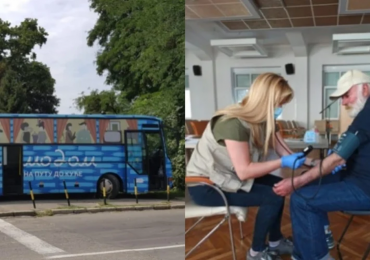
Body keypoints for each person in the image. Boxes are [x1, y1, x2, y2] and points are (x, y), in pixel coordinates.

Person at [186, 73, 308, 260]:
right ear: (266, 100)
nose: (280, 109)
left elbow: (285, 152)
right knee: (273, 196)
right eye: (280, 103)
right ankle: (256, 252)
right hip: (207, 185)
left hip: (228, 177)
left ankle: (275, 242)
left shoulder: (264, 121)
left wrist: (314, 162)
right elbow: (244, 171)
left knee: (280, 186)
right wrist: (282, 162)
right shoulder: (232, 123)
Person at [273, 69, 370, 260]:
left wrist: (295, 183)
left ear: (365, 89)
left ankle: (311, 254)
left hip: (365, 187)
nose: (343, 102)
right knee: (310, 184)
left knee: (301, 198)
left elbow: (338, 158)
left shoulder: (368, 114)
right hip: (355, 177)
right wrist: (319, 164)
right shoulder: (364, 113)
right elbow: (343, 150)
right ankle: (318, 241)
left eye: (346, 95)